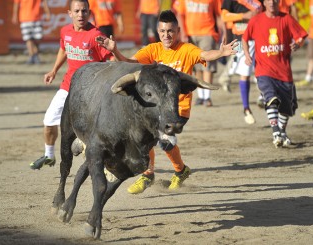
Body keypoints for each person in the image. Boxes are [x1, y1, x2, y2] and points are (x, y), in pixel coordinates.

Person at [96, 10, 238, 193]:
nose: (166, 35)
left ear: (178, 31)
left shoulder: (186, 49)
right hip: (156, 110)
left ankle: (168, 172)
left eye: (170, 31)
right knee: (148, 138)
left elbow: (204, 55)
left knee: (163, 140)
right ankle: (160, 173)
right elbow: (129, 63)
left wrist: (220, 52)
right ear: (158, 31)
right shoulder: (153, 50)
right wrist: (114, 50)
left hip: (180, 109)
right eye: (162, 31)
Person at [30, 0, 114, 170]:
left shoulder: (96, 35)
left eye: (84, 11)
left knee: (91, 131)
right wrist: (54, 70)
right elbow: (64, 49)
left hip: (89, 92)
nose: (80, 15)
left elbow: (110, 59)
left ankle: (107, 165)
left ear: (89, 13)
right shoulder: (65, 31)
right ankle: (49, 155)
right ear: (70, 13)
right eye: (77, 11)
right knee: (48, 122)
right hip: (68, 86)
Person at [242, 0, 307, 148]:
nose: (272, 3)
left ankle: (282, 133)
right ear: (264, 2)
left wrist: (298, 43)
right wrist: (246, 55)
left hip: (284, 72)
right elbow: (244, 39)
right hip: (264, 71)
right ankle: (276, 132)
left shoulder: (286, 18)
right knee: (271, 99)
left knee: (288, 109)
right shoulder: (256, 20)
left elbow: (302, 35)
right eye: (269, 0)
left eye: (275, 0)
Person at [175, 0, 224, 107]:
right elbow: (180, 14)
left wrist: (224, 32)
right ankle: (201, 96)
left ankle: (207, 97)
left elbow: (219, 14)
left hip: (208, 33)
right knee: (196, 67)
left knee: (207, 65)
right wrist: (182, 33)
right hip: (190, 34)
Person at [221, 0, 262, 124]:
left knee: (262, 71)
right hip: (241, 39)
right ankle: (246, 108)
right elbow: (224, 16)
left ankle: (263, 97)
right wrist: (244, 16)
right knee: (244, 72)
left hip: (260, 37)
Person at [12, 0, 51, 64]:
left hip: (37, 17)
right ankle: (32, 56)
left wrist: (48, 13)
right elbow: (16, 3)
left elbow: (44, 2)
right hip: (24, 18)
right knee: (28, 38)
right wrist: (14, 15)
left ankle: (35, 55)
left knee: (38, 38)